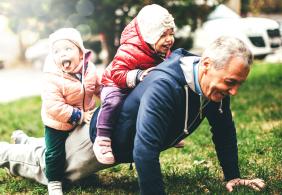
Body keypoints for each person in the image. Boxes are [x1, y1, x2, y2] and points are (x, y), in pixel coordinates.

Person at [0, 36, 265, 194]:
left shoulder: (213, 86)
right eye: (231, 82)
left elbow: (224, 129)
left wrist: (232, 175)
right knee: (49, 168)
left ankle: (27, 140)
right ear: (206, 65)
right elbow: (144, 150)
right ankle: (5, 152)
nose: (234, 91)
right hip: (98, 143)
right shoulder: (166, 85)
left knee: (54, 153)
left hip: (119, 142)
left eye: (238, 83)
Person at [94, 4, 176, 165]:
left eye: (171, 33)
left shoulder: (160, 50)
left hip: (137, 83)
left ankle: (166, 133)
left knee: (158, 100)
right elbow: (117, 74)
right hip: (114, 83)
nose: (169, 39)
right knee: (114, 101)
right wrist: (138, 75)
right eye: (163, 35)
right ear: (149, 35)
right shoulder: (129, 49)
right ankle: (102, 138)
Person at [40, 28, 100, 195]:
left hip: (85, 114)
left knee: (86, 145)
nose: (62, 54)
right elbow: (53, 106)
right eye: (57, 51)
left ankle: (85, 172)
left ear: (81, 53)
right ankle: (54, 181)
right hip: (58, 122)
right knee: (54, 152)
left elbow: (98, 87)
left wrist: (108, 96)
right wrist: (79, 116)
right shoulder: (52, 77)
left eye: (68, 49)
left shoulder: (90, 69)